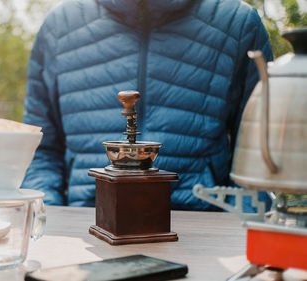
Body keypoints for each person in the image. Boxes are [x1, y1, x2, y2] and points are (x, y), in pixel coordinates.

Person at [21, 0, 273, 210]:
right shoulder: (59, 27)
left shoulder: (237, 23)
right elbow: (39, 150)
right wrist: (49, 220)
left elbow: (258, 157)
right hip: (84, 231)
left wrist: (239, 233)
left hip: (203, 229)